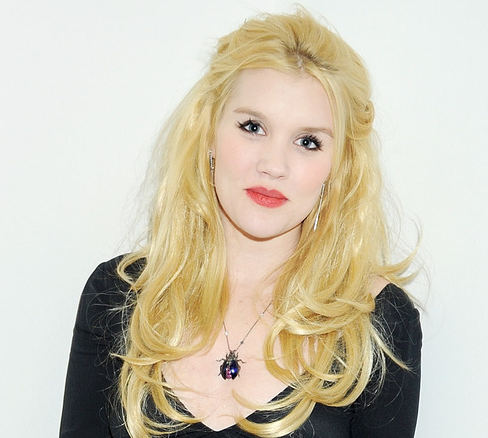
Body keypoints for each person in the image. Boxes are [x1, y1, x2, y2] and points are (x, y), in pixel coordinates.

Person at [61, 8, 422, 438]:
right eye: (253, 127)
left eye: (308, 142)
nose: (273, 165)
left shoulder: (378, 322)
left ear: (337, 165)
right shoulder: (118, 297)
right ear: (210, 132)